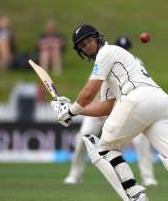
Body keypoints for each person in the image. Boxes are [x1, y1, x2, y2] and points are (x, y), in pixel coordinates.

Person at [50, 24, 168, 201]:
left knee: (103, 149)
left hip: (137, 99)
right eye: (83, 45)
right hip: (160, 101)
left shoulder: (106, 53)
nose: (87, 46)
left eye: (89, 41)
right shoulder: (113, 63)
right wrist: (75, 110)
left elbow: (89, 92)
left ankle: (136, 196)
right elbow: (107, 107)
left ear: (97, 38)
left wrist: (70, 111)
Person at [63, 36, 158, 187]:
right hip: (102, 107)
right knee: (83, 136)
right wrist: (99, 112)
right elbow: (92, 92)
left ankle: (148, 177)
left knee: (140, 139)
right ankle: (74, 174)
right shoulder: (105, 59)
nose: (124, 51)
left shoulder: (134, 62)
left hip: (126, 108)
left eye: (126, 49)